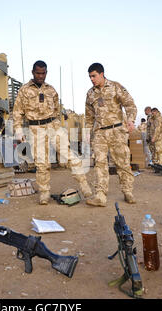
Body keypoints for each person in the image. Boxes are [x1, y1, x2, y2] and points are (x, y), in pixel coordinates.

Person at [12, 60, 92, 205]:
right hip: (35, 129)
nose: (41, 76)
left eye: (43, 73)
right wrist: (18, 130)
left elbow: (56, 110)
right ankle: (44, 193)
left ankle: (84, 185)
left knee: (69, 156)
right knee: (42, 163)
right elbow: (17, 112)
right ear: (33, 72)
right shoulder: (24, 90)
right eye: (38, 73)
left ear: (46, 73)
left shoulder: (52, 90)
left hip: (53, 126)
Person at [84, 63, 137, 206]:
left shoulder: (115, 87)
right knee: (100, 164)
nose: (92, 79)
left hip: (117, 131)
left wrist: (131, 120)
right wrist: (87, 132)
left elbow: (130, 104)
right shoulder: (90, 94)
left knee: (123, 163)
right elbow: (89, 116)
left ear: (102, 74)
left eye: (94, 76)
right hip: (100, 133)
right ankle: (100, 196)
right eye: (90, 77)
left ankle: (127, 191)